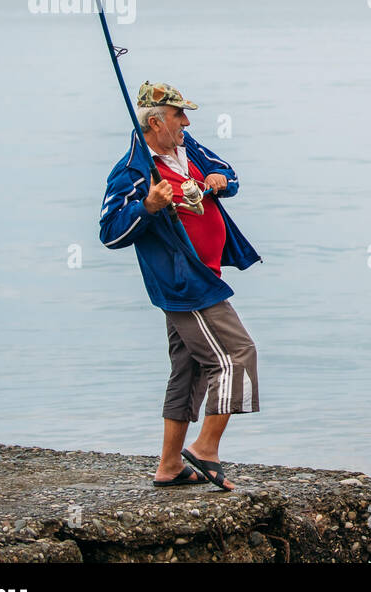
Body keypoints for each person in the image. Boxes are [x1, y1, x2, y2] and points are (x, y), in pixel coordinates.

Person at [98, 81, 262, 491]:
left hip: (207, 271)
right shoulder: (132, 171)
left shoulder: (188, 148)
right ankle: (205, 449)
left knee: (187, 371)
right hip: (185, 282)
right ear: (156, 122)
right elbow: (111, 232)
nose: (186, 122)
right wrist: (148, 207)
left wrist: (220, 179)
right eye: (178, 116)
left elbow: (231, 173)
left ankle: (169, 466)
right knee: (236, 355)